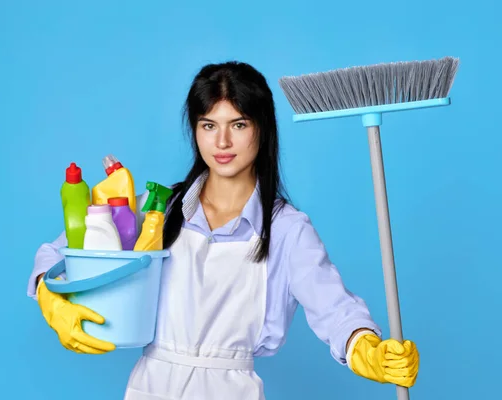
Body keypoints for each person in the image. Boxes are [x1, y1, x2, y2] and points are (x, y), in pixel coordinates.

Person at [27, 61, 420, 399]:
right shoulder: (157, 211)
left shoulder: (285, 230)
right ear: (195, 130)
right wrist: (49, 293)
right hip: (151, 387)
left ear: (262, 128)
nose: (223, 141)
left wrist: (367, 348)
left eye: (239, 123)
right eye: (208, 124)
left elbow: (336, 311)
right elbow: (63, 251)